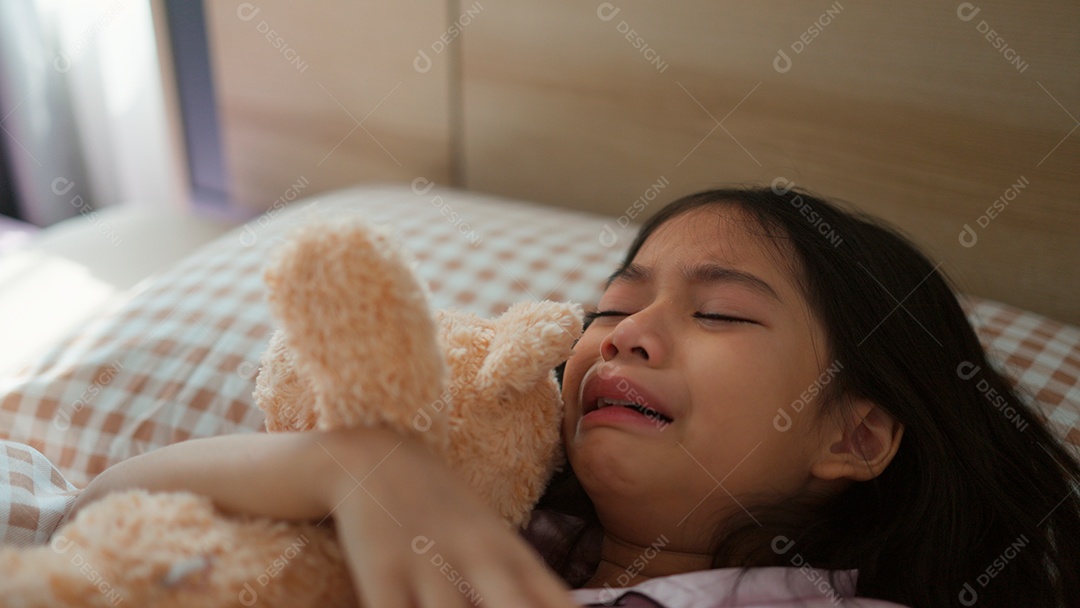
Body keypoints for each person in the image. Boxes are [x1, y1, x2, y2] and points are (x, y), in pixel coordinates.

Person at [70, 186, 1080, 608]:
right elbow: (101, 511)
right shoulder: (490, 523)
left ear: (855, 432)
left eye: (720, 314)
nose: (626, 333)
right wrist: (347, 463)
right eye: (612, 305)